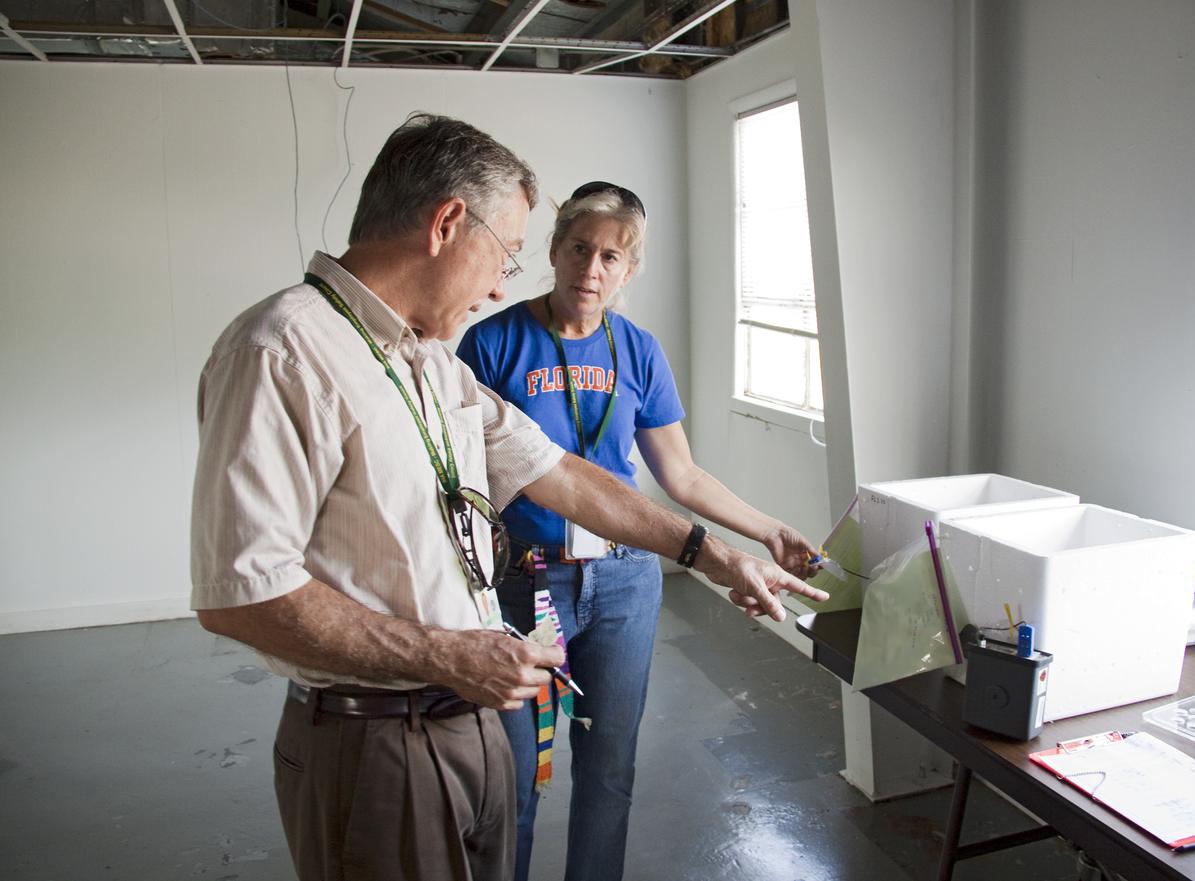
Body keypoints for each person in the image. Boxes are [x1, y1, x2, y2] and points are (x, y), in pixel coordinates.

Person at [189, 115, 828, 881]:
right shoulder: (283, 351)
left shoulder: (426, 358)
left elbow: (557, 471)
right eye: (506, 254)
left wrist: (719, 555)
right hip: (382, 735)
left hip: (467, 711)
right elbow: (240, 594)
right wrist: (447, 653)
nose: (500, 283)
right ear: (447, 223)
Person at [455, 181, 822, 881]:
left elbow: (680, 476)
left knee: (609, 766)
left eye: (611, 258)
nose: (591, 270)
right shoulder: (494, 342)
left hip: (624, 582)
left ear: (630, 269)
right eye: (579, 249)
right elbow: (464, 478)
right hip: (528, 583)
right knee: (513, 777)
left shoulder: (639, 352)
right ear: (556, 249)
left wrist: (767, 529)